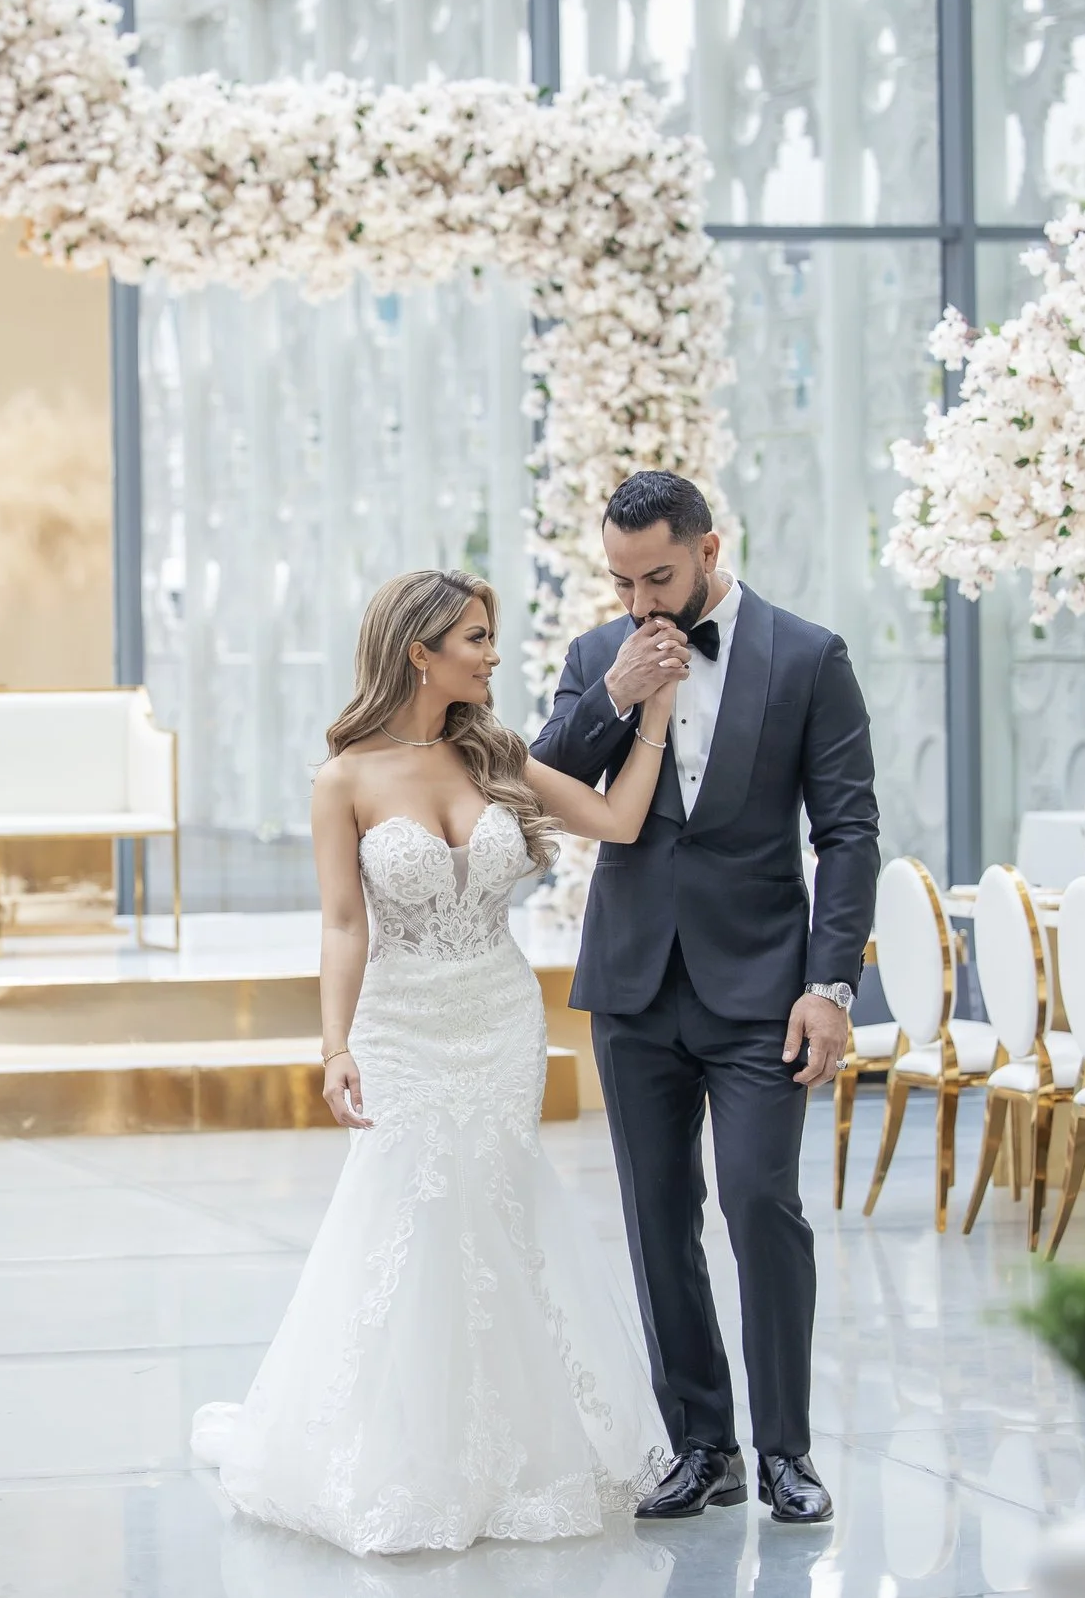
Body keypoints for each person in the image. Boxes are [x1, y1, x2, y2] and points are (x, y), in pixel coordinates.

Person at [192, 568, 681, 1557]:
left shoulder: (492, 752)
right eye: (475, 637)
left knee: (494, 1210)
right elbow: (341, 923)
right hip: (403, 1026)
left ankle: (513, 1451)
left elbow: (617, 822)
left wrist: (655, 718)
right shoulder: (345, 779)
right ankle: (407, 1454)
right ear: (419, 650)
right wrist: (334, 1046)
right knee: (416, 1215)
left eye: (490, 636)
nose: (492, 654)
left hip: (498, 1017)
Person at [531, 469, 877, 1527]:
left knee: (761, 1202)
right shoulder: (597, 655)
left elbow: (847, 832)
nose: (640, 599)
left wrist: (828, 983)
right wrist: (619, 692)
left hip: (762, 989)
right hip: (635, 984)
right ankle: (701, 1444)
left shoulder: (809, 655)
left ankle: (788, 1453)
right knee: (655, 1215)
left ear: (710, 548)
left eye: (660, 575)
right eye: (623, 579)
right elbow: (542, 780)